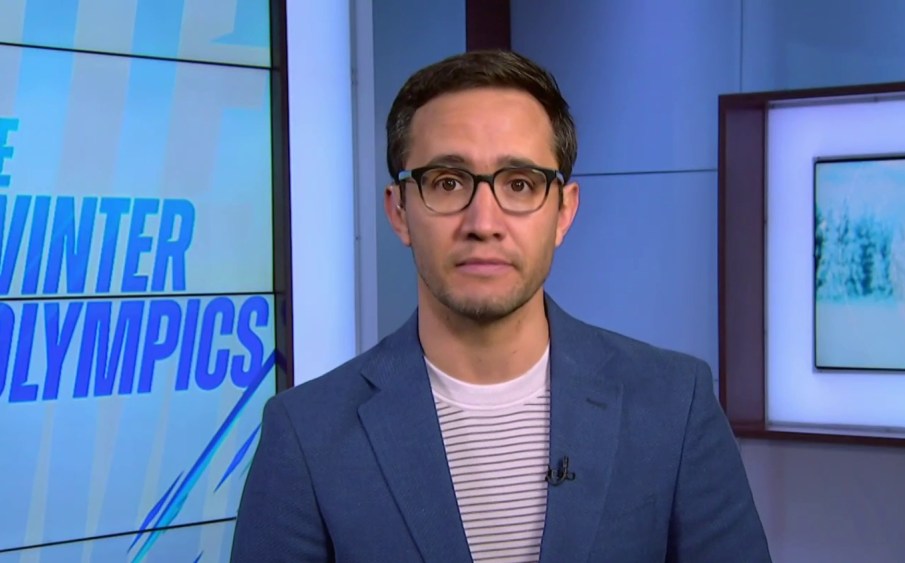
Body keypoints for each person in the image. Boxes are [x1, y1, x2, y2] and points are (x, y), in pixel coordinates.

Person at [231, 50, 770, 562]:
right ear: (399, 212)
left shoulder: (674, 405)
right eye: (447, 182)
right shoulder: (306, 435)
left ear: (563, 212)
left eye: (520, 183)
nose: (483, 222)